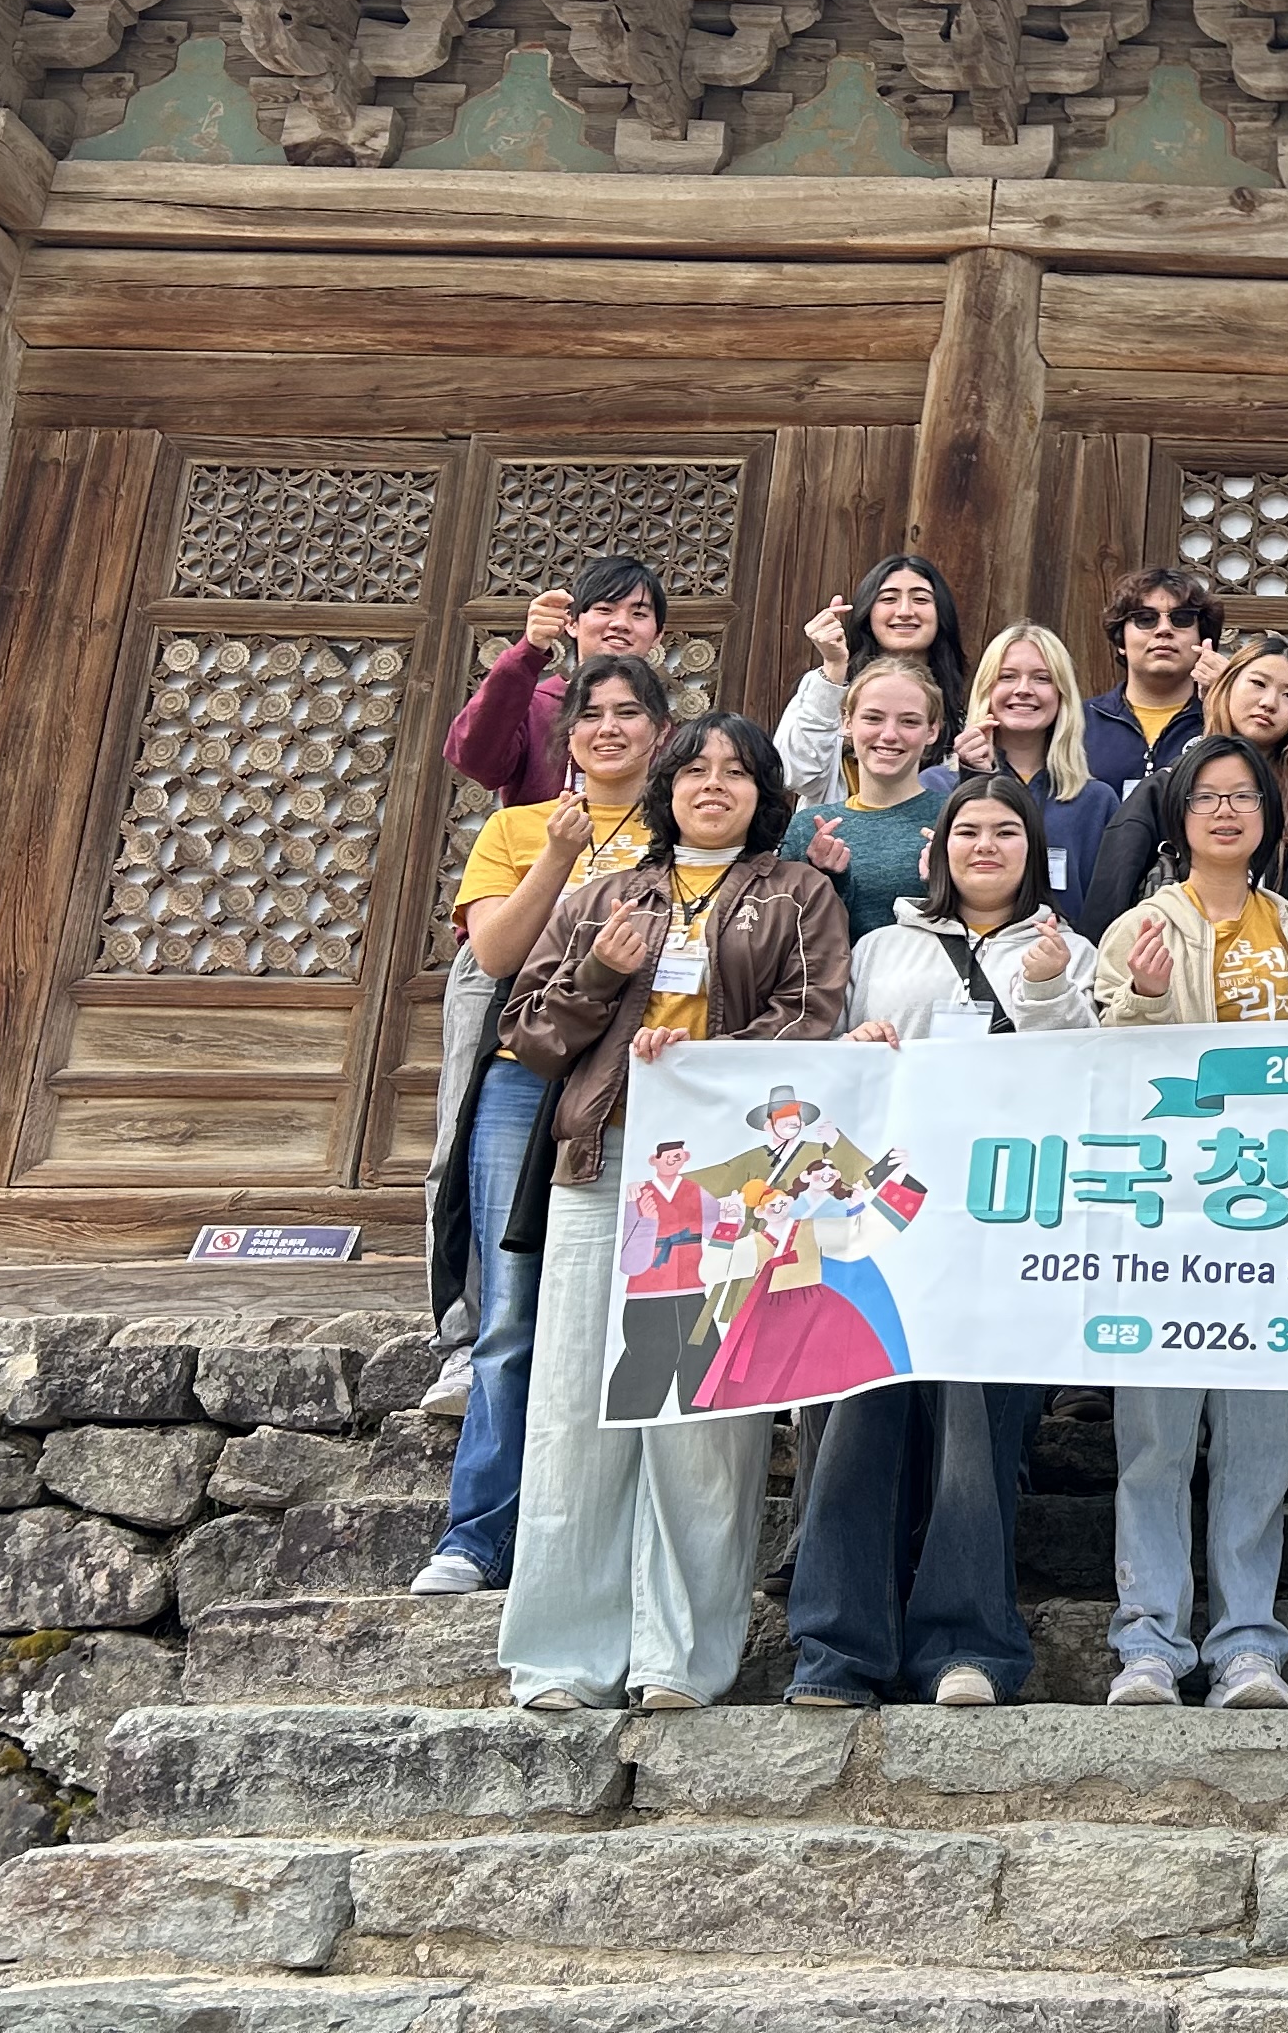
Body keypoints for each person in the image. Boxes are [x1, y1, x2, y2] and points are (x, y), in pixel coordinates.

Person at [494, 712, 848, 1711]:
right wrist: (601, 974)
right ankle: (563, 1658)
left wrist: (704, 1063)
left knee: (703, 1418)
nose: (713, 785)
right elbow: (527, 1035)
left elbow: (810, 1019)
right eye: (694, 770)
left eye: (737, 772)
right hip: (602, 1163)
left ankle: (679, 1660)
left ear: (765, 794)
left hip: (728, 1180)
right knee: (575, 1407)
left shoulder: (800, 894)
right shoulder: (604, 894)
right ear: (667, 788)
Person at [786, 775, 1095, 1711]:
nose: (985, 847)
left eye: (1006, 832)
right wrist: (852, 1048)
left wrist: (1050, 991)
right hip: (882, 1221)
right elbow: (819, 1066)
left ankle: (970, 1646)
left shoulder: (1068, 949)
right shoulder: (882, 946)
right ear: (939, 848)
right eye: (968, 831)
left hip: (1002, 1226)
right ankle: (836, 1651)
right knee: (858, 1421)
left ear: (1033, 850)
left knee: (974, 1434)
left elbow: (1088, 1080)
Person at [416, 650, 671, 1600]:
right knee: (513, 1308)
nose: (609, 729)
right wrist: (560, 856)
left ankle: (611, 1537)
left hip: (641, 1083)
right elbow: (493, 953)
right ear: (568, 738)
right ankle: (478, 1533)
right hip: (522, 1078)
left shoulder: (680, 829)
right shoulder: (519, 826)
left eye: (629, 713)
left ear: (661, 734)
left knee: (640, 1311)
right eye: (591, 715)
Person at [1089, 736, 1288, 1709]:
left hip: (1276, 1216)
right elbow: (1102, 1070)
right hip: (1169, 1216)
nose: (1226, 812)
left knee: (1260, 1440)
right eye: (1207, 797)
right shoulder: (1139, 927)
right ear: (1179, 817)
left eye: (1244, 796)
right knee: (1155, 1436)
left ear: (1269, 817)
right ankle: (1149, 1640)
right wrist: (1146, 999)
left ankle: (1247, 1643)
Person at [1085, 631, 1288, 937]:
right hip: (1173, 961)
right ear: (1227, 686)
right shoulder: (1165, 789)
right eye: (1258, 683)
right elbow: (1109, 909)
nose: (1269, 703)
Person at [449, 554, 668, 808]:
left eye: (639, 614)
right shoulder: (535, 709)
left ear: (658, 635)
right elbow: (473, 760)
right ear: (571, 622)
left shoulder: (660, 723)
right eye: (605, 609)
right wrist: (528, 651)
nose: (621, 623)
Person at [780, 654, 950, 945]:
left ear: (932, 730)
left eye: (909, 721)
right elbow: (784, 931)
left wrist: (947, 884)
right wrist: (823, 880)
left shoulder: (955, 820)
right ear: (847, 722)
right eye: (873, 718)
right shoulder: (808, 827)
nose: (889, 735)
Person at [948, 623, 1119, 912]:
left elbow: (1107, 908)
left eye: (1042, 678)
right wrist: (974, 778)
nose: (1023, 690)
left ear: (1062, 694)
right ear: (986, 689)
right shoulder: (940, 787)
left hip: (1065, 940)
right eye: (1007, 676)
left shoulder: (1097, 802)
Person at [775, 552, 972, 797]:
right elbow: (794, 775)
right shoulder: (828, 686)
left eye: (920, 599)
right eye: (888, 599)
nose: (905, 611)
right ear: (868, 613)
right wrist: (833, 667)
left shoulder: (964, 710)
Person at [1085, 567, 1222, 790]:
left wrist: (1228, 696)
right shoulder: (1078, 721)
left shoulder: (1224, 720)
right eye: (1146, 619)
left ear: (1203, 638)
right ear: (1121, 641)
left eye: (1181, 618)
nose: (1164, 629)